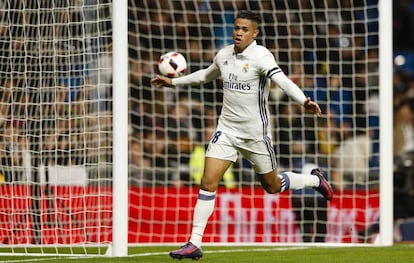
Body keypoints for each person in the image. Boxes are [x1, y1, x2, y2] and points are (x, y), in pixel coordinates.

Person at [151, 10, 333, 260]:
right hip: (226, 131)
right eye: (236, 28)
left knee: (272, 186)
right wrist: (173, 83)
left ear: (255, 33)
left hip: (256, 135)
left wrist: (304, 101)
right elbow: (205, 75)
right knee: (207, 181)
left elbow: (283, 81)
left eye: (245, 29)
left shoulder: (261, 57)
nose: (238, 32)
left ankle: (315, 180)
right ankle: (194, 243)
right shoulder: (224, 55)